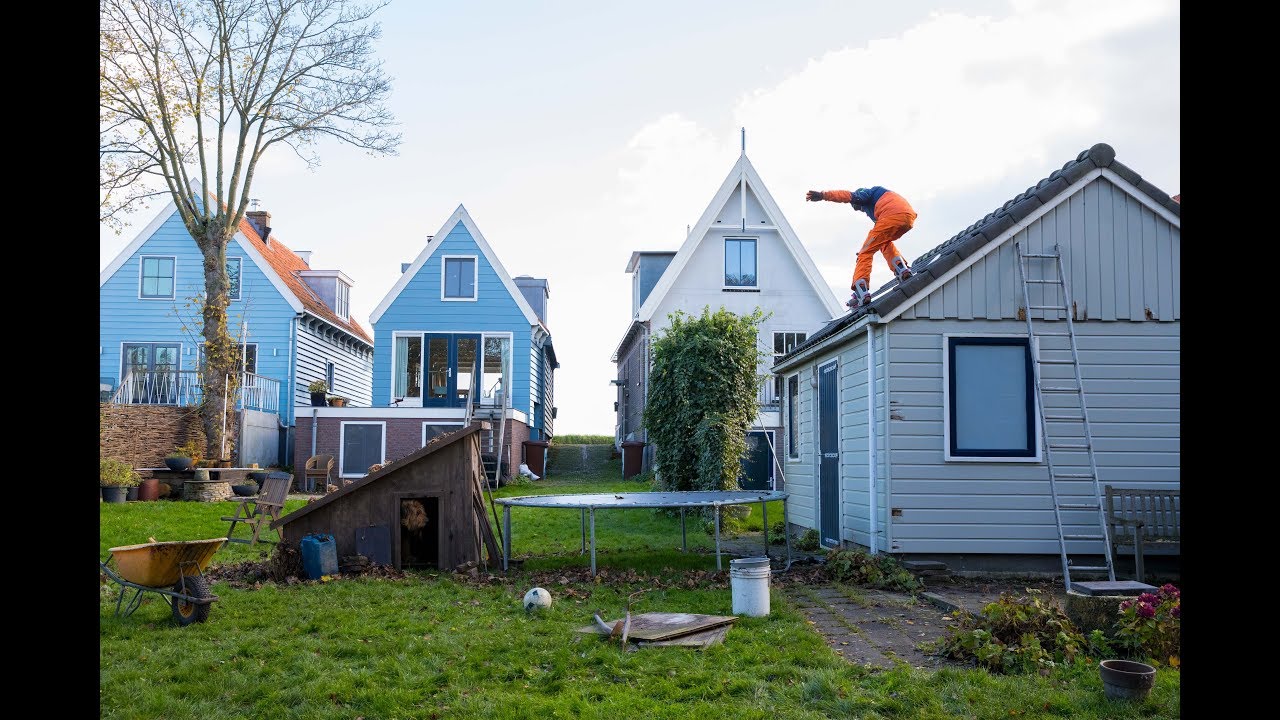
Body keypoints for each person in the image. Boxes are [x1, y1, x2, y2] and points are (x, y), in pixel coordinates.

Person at [806, 186, 916, 309]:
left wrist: (823, 195)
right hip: (908, 218)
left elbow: (848, 196)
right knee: (883, 242)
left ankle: (861, 290)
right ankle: (902, 269)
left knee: (865, 252)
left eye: (860, 207)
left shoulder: (867, 193)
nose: (862, 210)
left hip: (892, 215)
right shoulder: (882, 197)